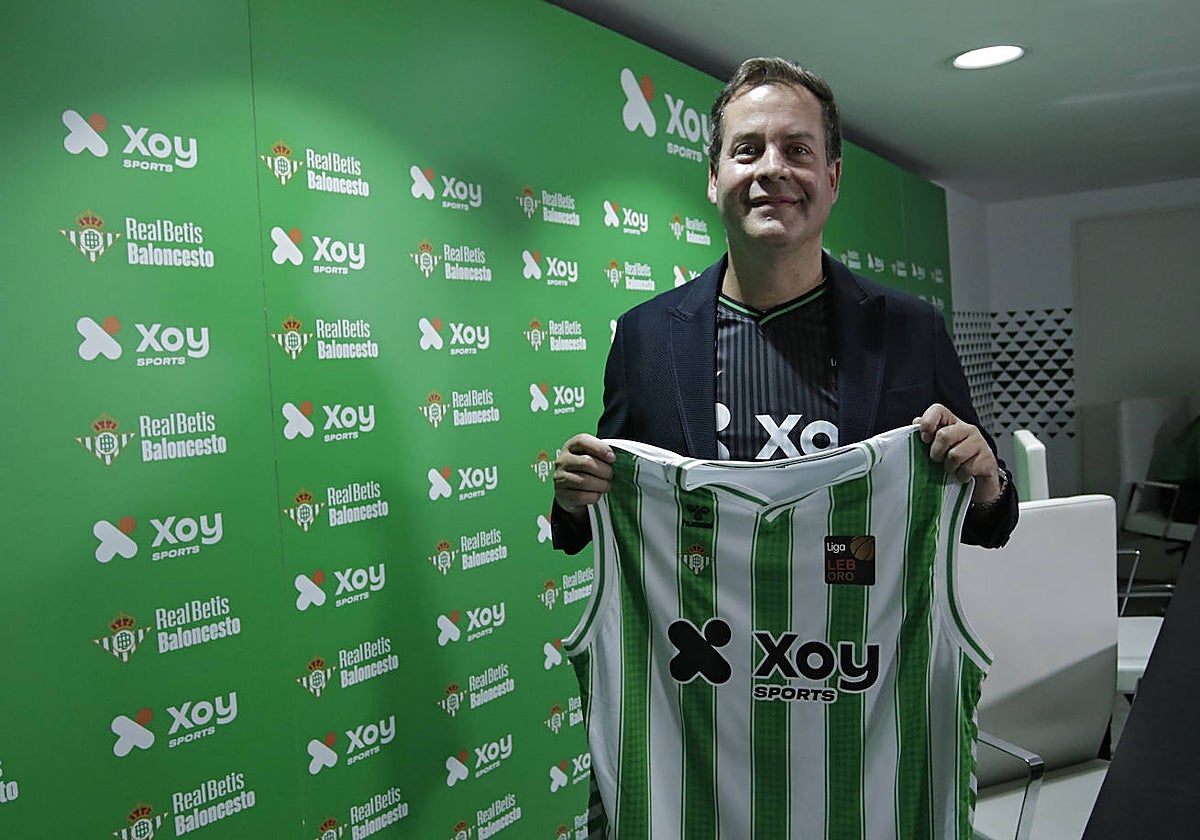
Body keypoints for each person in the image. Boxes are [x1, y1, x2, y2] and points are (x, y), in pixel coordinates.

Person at [552, 56, 1016, 552]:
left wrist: (988, 484)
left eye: (797, 150)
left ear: (833, 178)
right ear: (713, 179)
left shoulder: (912, 328)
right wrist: (573, 501)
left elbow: (986, 525)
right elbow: (593, 522)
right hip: (705, 629)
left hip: (860, 627)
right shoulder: (643, 338)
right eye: (748, 150)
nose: (772, 168)